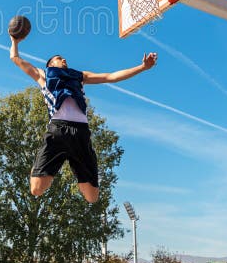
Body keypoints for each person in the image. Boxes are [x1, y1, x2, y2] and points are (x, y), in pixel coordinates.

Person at [9, 34, 157, 203]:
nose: (63, 59)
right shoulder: (42, 75)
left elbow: (111, 77)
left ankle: (77, 169)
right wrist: (14, 41)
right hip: (58, 130)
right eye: (59, 58)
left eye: (64, 58)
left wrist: (142, 67)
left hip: (81, 133)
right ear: (50, 64)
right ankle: (46, 166)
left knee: (92, 197)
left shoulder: (80, 77)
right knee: (36, 190)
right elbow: (15, 58)